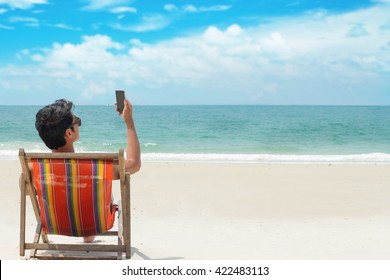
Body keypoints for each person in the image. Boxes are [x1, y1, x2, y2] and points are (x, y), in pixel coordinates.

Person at [34, 98, 141, 243]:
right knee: (101, 189)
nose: (78, 123)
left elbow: (26, 188)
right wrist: (129, 122)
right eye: (76, 121)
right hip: (96, 223)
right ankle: (87, 228)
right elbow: (134, 164)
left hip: (56, 224)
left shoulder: (33, 168)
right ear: (69, 133)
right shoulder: (98, 167)